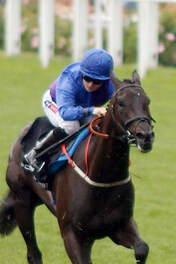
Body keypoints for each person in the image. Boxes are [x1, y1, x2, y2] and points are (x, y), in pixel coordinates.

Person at [22, 48, 115, 176]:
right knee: (71, 126)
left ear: (105, 80)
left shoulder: (110, 83)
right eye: (87, 78)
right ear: (82, 73)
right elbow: (66, 112)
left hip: (82, 106)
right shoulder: (69, 78)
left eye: (97, 81)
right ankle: (34, 154)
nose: (91, 84)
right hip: (56, 103)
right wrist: (92, 110)